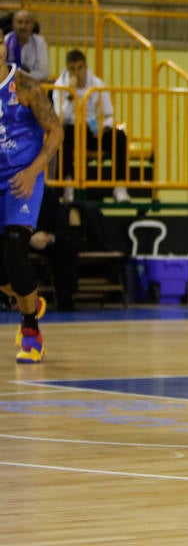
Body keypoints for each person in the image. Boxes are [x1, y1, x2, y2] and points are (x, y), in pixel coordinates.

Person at [0, 36, 63, 363]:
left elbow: (56, 131)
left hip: (22, 178)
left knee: (14, 246)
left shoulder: (24, 85)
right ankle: (28, 298)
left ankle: (30, 331)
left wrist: (32, 171)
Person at [52, 49, 131, 203]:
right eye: (72, 69)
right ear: (68, 70)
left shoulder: (97, 84)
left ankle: (120, 187)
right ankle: (68, 187)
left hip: (93, 130)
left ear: (85, 67)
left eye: (80, 68)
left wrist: (104, 128)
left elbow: (109, 114)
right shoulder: (60, 86)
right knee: (65, 135)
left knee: (119, 137)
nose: (77, 72)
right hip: (72, 128)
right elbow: (59, 118)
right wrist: (70, 96)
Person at [4, 10, 49, 81]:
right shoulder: (5, 40)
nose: (23, 26)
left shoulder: (40, 42)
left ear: (32, 25)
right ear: (13, 24)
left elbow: (43, 73)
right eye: (19, 22)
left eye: (27, 23)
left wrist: (22, 76)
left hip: (31, 86)